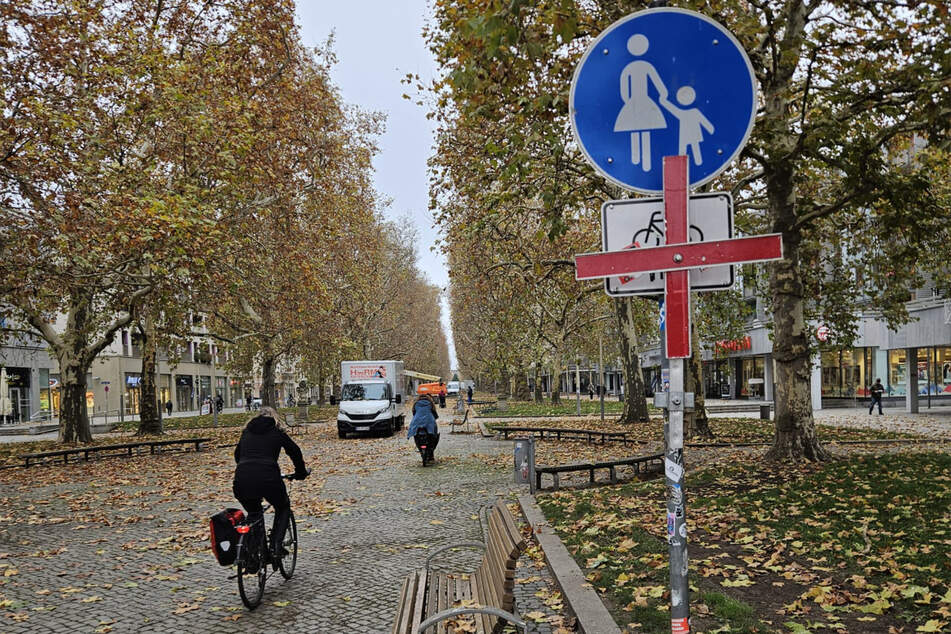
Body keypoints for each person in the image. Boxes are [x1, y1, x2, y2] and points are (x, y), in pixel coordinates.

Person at [233, 406, 308, 567]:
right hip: (269, 478)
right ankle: (275, 546)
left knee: (254, 513)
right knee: (283, 507)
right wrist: (300, 472)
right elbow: (294, 451)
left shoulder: (246, 432)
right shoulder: (277, 431)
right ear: (274, 418)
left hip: (242, 479)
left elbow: (237, 456)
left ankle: (253, 554)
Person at [407, 395, 439, 462]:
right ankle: (431, 454)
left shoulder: (416, 404)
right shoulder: (430, 403)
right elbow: (434, 413)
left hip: (417, 422)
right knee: (433, 435)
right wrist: (435, 417)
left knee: (415, 435)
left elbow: (414, 413)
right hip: (429, 422)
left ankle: (420, 450)